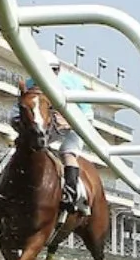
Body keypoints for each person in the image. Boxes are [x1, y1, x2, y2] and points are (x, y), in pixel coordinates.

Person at [25, 49, 93, 212]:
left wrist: (70, 123)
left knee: (67, 152)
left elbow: (87, 114)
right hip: (50, 125)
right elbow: (17, 109)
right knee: (25, 147)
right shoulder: (29, 84)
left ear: (58, 70)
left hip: (76, 125)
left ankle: (73, 194)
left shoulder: (72, 83)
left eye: (52, 71)